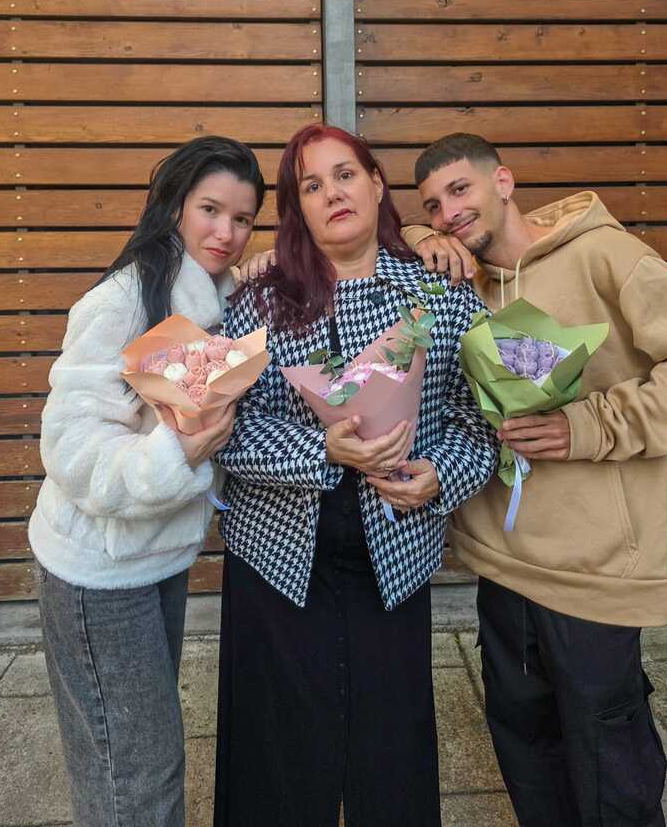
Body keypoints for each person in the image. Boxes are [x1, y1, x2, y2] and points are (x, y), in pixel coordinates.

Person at [404, 131, 667, 827]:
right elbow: (373, 244)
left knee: (611, 768)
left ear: (504, 182)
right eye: (432, 205)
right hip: (502, 564)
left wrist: (588, 427)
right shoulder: (461, 278)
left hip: (593, 569)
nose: (449, 212)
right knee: (528, 752)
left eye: (460, 190)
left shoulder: (606, 255)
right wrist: (415, 234)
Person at [211, 123, 497, 827]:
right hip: (277, 556)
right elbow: (222, 432)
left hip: (394, 549)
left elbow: (477, 420)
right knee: (274, 760)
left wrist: (440, 476)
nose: (332, 193)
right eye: (311, 185)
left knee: (390, 754)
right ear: (297, 209)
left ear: (375, 184)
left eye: (344, 175)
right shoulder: (257, 302)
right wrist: (322, 450)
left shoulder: (440, 292)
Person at [29, 135, 265, 827]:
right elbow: (71, 449)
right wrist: (175, 456)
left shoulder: (216, 296)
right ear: (175, 206)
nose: (226, 233)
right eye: (210, 210)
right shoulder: (123, 301)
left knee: (131, 757)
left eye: (243, 219)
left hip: (155, 560)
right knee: (135, 774)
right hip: (98, 570)